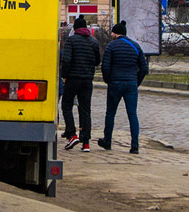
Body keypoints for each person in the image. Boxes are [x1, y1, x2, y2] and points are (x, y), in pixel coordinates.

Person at [98, 20, 149, 153]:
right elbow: (144, 68)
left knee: (110, 113)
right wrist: (136, 82)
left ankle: (107, 141)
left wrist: (108, 80)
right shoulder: (136, 46)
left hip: (115, 83)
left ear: (115, 33)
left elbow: (105, 66)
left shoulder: (111, 46)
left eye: (112, 33)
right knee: (132, 114)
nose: (111, 35)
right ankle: (135, 145)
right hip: (131, 83)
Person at [60, 15, 100, 151]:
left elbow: (66, 60)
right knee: (85, 110)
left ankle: (72, 134)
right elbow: (97, 61)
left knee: (66, 105)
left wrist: (64, 75)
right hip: (87, 80)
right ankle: (86, 142)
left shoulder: (71, 41)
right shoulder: (93, 42)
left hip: (72, 78)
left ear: (75, 28)